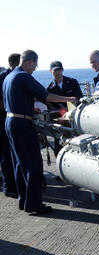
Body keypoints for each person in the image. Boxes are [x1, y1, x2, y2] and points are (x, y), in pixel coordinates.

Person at [2, 49, 78, 215]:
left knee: (20, 163)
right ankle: (34, 204)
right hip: (22, 123)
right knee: (34, 164)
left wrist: (29, 107)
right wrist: (68, 99)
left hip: (10, 121)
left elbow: (17, 98)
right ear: (29, 61)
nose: (35, 68)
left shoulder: (9, 77)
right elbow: (46, 96)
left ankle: (24, 201)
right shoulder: (23, 76)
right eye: (35, 64)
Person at [46, 61, 83, 156]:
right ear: (51, 71)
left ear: (62, 70)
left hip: (74, 117)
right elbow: (49, 104)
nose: (58, 73)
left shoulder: (72, 82)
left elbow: (79, 99)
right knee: (59, 143)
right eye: (55, 71)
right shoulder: (50, 88)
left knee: (76, 141)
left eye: (59, 70)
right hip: (60, 120)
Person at [0, 53, 20, 199]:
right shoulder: (6, 77)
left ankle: (11, 185)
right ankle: (9, 187)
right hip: (3, 119)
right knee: (6, 154)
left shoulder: (5, 76)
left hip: (5, 119)